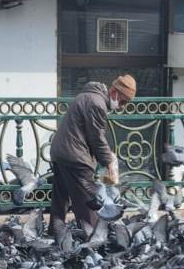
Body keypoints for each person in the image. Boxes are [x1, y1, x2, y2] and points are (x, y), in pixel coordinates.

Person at [49, 74, 136, 240]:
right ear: (115, 92)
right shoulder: (97, 104)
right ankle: (93, 239)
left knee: (60, 197)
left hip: (61, 151)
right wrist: (109, 162)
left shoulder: (87, 96)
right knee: (87, 201)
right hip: (74, 156)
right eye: (123, 101)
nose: (122, 107)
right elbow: (96, 137)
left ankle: (55, 234)